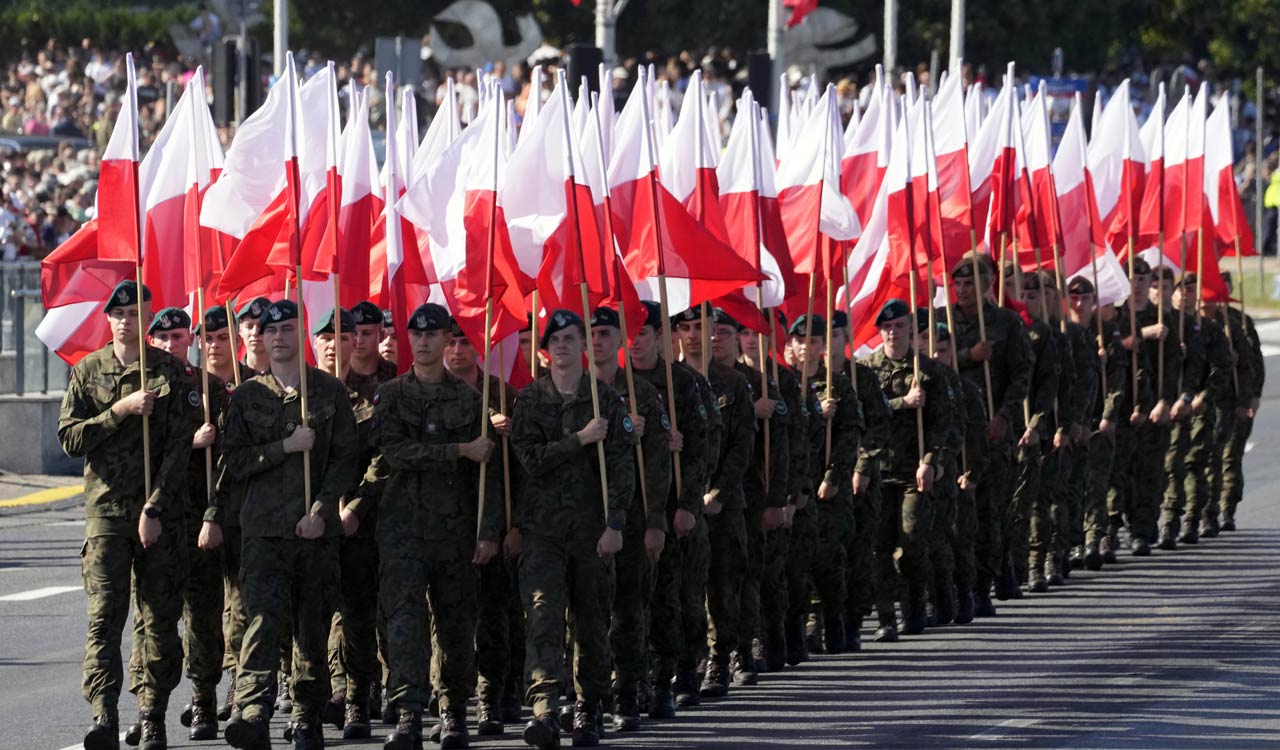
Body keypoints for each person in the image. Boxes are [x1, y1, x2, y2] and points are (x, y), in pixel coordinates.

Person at [58, 281, 198, 750]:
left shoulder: (171, 372)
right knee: (104, 619)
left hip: (158, 515)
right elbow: (71, 438)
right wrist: (119, 410)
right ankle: (103, 714)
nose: (125, 321)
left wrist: (154, 506)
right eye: (118, 314)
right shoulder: (88, 371)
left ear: (147, 318)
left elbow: (179, 450)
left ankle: (152, 714)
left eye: (134, 313)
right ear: (109, 319)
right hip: (106, 515)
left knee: (158, 620)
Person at [220, 299, 359, 750]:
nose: (278, 337)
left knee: (311, 629)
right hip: (263, 532)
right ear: (261, 338)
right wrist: (284, 446)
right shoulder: (247, 396)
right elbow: (233, 461)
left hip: (315, 532)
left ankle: (306, 716)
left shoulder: (328, 391)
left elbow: (345, 459)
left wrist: (321, 510)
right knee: (261, 624)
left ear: (301, 335)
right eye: (270, 330)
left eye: (287, 329)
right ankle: (254, 712)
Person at [375, 303, 502, 750]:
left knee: (456, 625)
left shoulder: (470, 400)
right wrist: (458, 450)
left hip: (455, 531)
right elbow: (394, 452)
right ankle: (408, 714)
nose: (424, 341)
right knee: (405, 625)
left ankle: (453, 712)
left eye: (433, 335)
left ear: (448, 340)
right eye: (417, 334)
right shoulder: (391, 395)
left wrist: (488, 531)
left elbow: (488, 475)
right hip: (403, 531)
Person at [510, 310, 636, 749]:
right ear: (545, 351)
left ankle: (589, 706)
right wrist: (579, 439)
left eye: (569, 338)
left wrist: (615, 523)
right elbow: (529, 459)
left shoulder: (605, 400)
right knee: (542, 616)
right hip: (542, 531)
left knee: (591, 621)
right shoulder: (530, 400)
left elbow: (621, 468)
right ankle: (544, 708)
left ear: (583, 345)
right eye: (554, 340)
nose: (562, 346)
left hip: (590, 530)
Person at [587, 306, 672, 732]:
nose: (598, 341)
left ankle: (627, 691)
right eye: (591, 334)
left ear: (620, 340)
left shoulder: (641, 394)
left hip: (633, 517)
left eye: (606, 333)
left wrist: (656, 521)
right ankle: (590, 694)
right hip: (581, 519)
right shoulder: (571, 392)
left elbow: (658, 463)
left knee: (628, 608)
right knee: (585, 613)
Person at [146, 307, 229, 742]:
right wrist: (188, 443)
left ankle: (204, 701)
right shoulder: (140, 389)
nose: (170, 344)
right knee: (153, 619)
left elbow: (228, 460)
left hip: (196, 516)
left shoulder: (209, 388)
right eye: (162, 338)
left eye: (178, 336)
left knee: (203, 615)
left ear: (189, 340)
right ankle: (150, 708)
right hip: (156, 519)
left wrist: (214, 516)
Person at [443, 317, 525, 736]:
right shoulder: (431, 394)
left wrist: (516, 526)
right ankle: (450, 699)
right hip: (446, 525)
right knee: (450, 619)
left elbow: (525, 471)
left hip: (497, 520)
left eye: (465, 342)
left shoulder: (505, 396)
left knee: (498, 614)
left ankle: (495, 694)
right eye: (451, 342)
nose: (458, 350)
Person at [628, 301, 708, 719]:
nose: (634, 341)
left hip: (671, 505)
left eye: (642, 332)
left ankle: (669, 679)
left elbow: (702, 448)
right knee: (628, 603)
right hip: (626, 509)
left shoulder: (683, 383)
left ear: (660, 335)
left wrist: (689, 503)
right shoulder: (611, 384)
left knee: (671, 599)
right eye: (629, 332)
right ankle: (633, 681)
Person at [941, 253, 1033, 617]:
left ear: (986, 284)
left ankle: (983, 584)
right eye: (958, 284)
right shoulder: (941, 321)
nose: (963, 290)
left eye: (970, 283)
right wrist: (968, 355)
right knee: (954, 514)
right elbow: (932, 361)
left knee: (990, 510)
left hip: (992, 430)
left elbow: (1022, 373)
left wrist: (1005, 416)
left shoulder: (1007, 323)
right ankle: (955, 586)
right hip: (951, 431)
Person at [310, 307, 385, 739]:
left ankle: (356, 698)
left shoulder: (372, 398)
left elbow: (381, 459)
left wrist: (354, 507)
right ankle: (321, 694)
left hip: (358, 524)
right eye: (326, 338)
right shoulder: (301, 395)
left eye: (342, 337)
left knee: (357, 614)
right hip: (313, 523)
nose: (334, 346)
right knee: (315, 615)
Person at [858, 300, 951, 639]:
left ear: (910, 328)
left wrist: (931, 462)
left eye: (898, 326)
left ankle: (913, 610)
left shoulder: (928, 371)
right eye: (886, 327)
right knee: (879, 547)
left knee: (911, 543)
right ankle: (886, 617)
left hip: (913, 471)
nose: (892, 332)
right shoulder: (865, 370)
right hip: (878, 471)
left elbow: (943, 423)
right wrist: (902, 402)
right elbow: (864, 415)